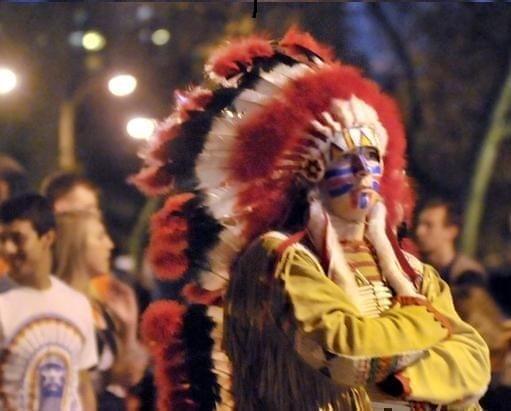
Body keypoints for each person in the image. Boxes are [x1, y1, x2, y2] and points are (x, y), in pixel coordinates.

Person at [136, 29, 490, 410]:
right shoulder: (282, 258)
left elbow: (475, 361)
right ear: (312, 174)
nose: (363, 172)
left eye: (372, 158)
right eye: (346, 160)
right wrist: (428, 322)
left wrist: (404, 380)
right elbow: (346, 355)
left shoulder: (414, 272)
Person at [0, 194, 97, 410]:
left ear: (47, 238)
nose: (8, 249)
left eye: (17, 238)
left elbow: (82, 385)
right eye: (2, 239)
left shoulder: (77, 304)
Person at [54, 210, 148, 411]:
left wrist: (128, 324)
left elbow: (126, 375)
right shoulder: (61, 310)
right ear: (75, 247)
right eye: (100, 237)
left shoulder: (97, 304)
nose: (110, 245)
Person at [415, 199, 486, 285]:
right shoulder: (418, 269)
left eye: (429, 225)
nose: (419, 231)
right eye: (419, 224)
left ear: (451, 231)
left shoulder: (468, 275)